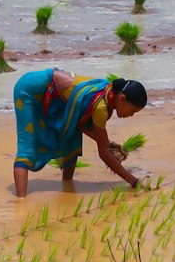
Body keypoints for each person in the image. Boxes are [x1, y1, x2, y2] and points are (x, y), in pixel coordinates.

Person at [12, 68, 148, 196]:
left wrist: (107, 143)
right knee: (27, 147)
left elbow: (81, 124)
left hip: (55, 93)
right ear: (122, 98)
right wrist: (132, 180)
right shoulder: (100, 106)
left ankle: (67, 185)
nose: (131, 115)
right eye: (132, 111)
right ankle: (21, 203)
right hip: (30, 89)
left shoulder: (108, 91)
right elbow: (104, 153)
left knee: (73, 139)